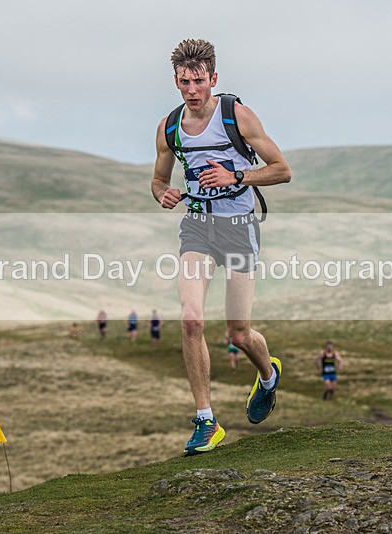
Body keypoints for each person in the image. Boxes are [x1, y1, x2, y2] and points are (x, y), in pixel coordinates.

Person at [152, 38, 292, 456]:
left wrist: (237, 177)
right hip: (197, 226)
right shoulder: (170, 127)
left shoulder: (237, 116)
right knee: (191, 319)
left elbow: (282, 171)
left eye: (198, 81)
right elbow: (159, 180)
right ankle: (206, 421)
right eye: (184, 81)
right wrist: (163, 193)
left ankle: (267, 375)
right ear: (175, 82)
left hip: (238, 227)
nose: (192, 89)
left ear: (213, 78)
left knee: (238, 332)